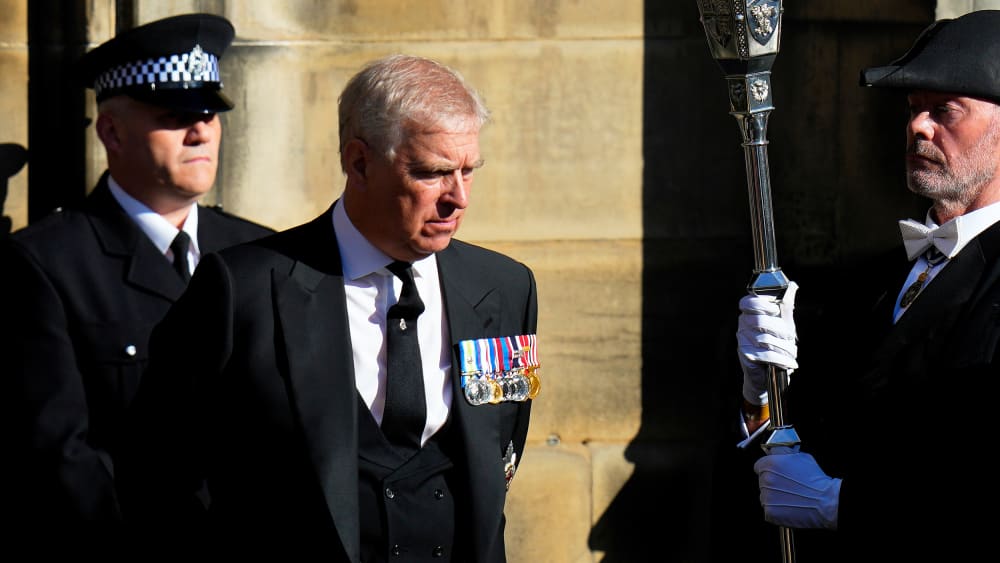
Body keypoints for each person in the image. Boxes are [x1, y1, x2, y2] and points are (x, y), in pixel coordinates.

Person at [116, 54, 540, 561]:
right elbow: (156, 475)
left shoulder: (504, 287)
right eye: (432, 173)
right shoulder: (243, 289)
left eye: (470, 171)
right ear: (359, 162)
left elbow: (502, 449)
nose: (458, 197)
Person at [730, 9, 1000, 562]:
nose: (918, 126)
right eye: (913, 109)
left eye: (945, 109)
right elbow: (807, 448)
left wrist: (844, 507)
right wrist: (760, 397)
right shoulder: (874, 281)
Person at [0, 13, 273, 534]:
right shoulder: (45, 265)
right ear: (112, 132)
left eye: (211, 114)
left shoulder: (257, 249)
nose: (200, 131)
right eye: (174, 115)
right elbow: (57, 453)